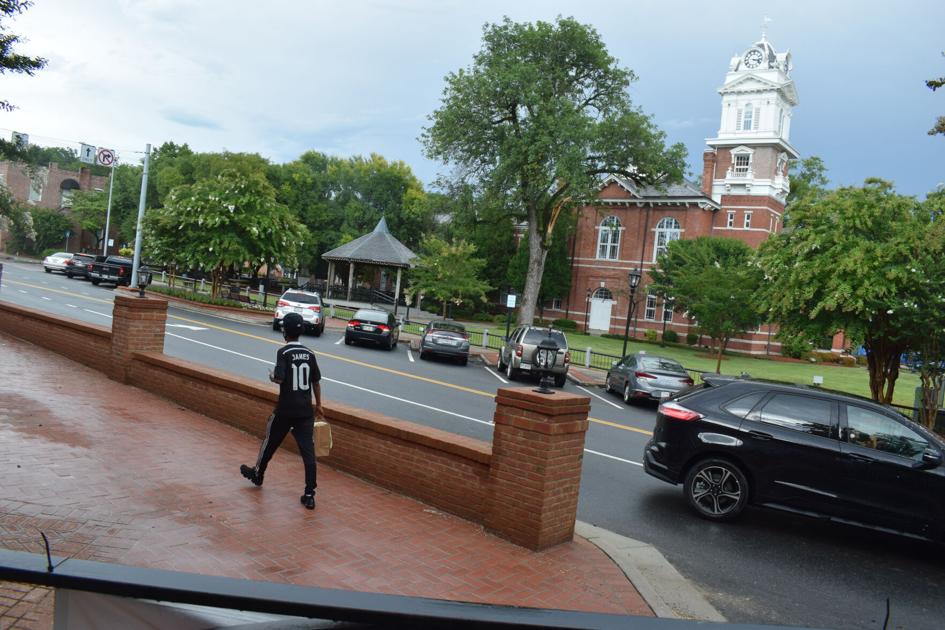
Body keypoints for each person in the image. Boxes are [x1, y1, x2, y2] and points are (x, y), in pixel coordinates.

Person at [240, 312, 323, 509]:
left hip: (286, 409)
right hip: (305, 411)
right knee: (308, 453)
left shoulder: (283, 353)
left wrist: (271, 376)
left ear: (285, 331)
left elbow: (279, 378)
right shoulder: (310, 354)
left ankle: (258, 474)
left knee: (270, 442)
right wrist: (319, 404)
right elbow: (316, 382)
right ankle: (309, 493)